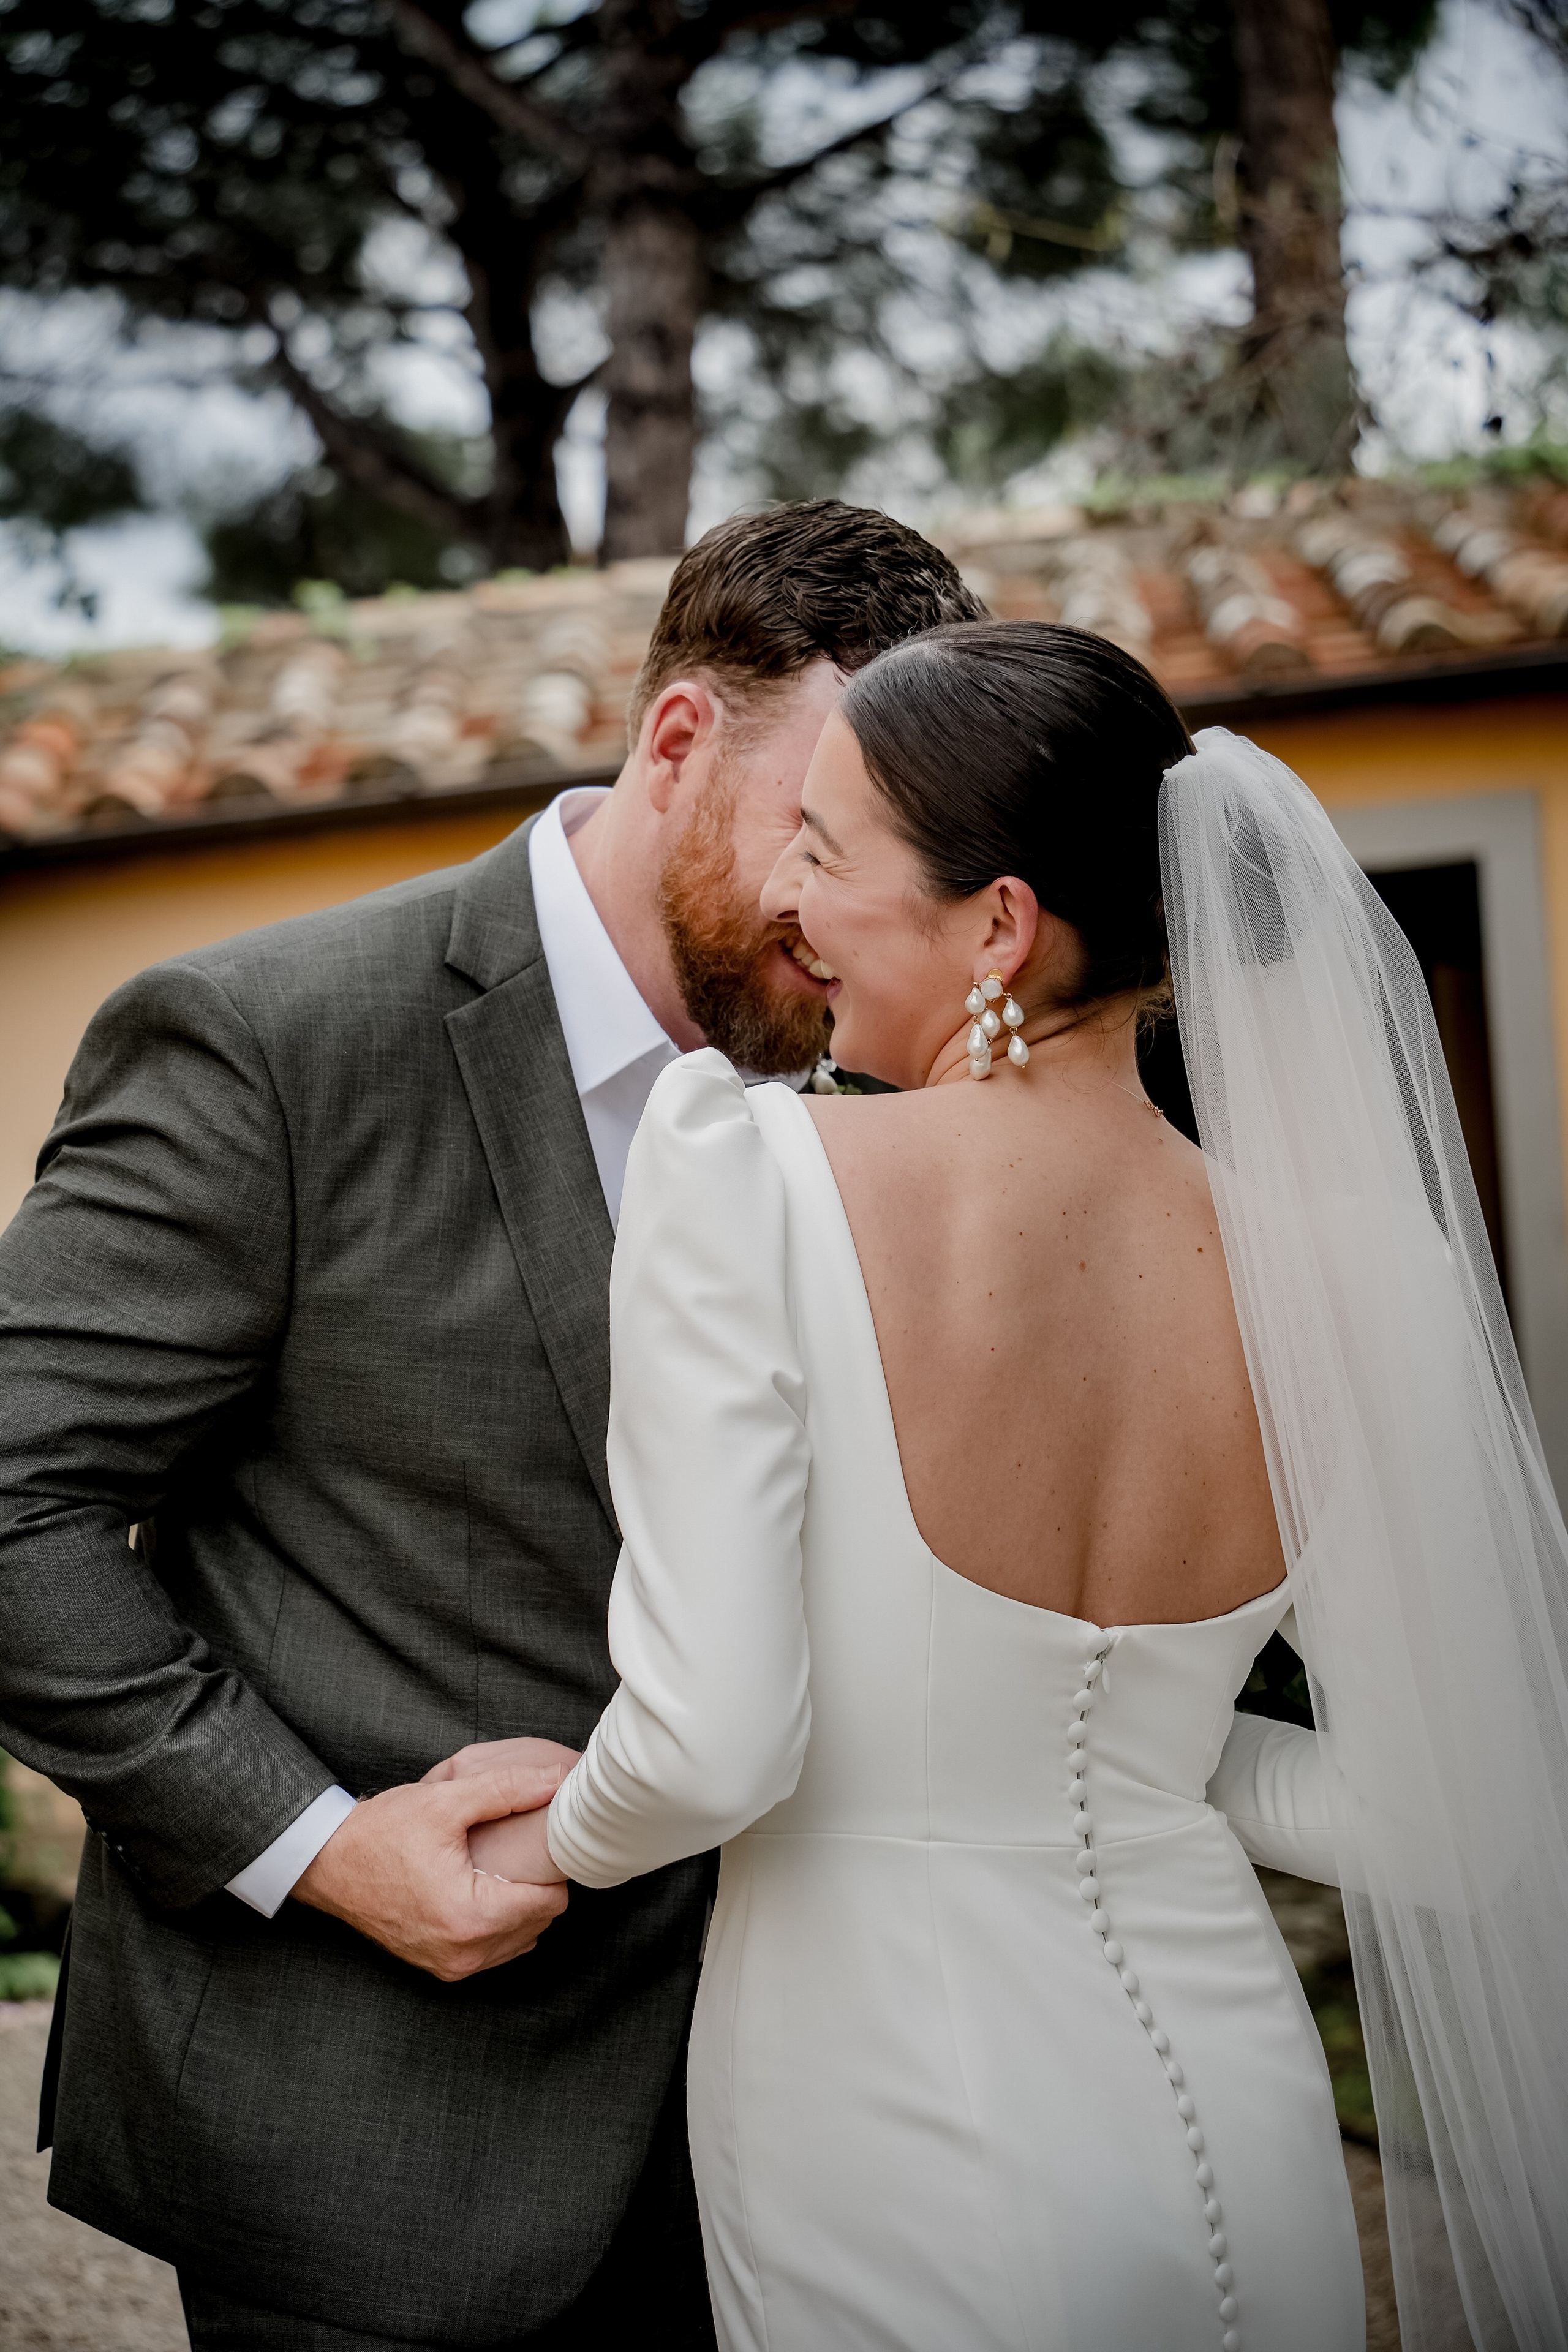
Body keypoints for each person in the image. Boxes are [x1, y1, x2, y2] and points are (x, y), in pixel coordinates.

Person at [454, 619, 1568, 2352]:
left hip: (889, 2106)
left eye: (826, 851)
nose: (784, 906)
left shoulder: (745, 1175)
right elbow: (1446, 1815)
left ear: (1000, 925)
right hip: (1241, 2106)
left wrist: (547, 1831)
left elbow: (711, 1744)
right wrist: (1160, 1751)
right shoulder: (1354, 1270)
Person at [0, 502, 984, 2350]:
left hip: (797, 2146)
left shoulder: (874, 1089)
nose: (858, 911)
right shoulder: (272, 1045)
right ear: (682, 742)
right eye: (825, 836)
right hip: (376, 2132)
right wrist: (318, 1841)